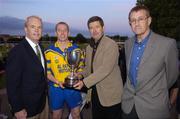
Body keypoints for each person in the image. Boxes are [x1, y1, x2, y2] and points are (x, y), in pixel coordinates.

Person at [121, 5, 179, 119]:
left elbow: (172, 77)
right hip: (128, 105)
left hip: (153, 108)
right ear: (130, 24)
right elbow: (128, 74)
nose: (136, 23)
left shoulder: (167, 44)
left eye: (140, 19)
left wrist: (156, 89)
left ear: (149, 20)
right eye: (133, 20)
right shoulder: (128, 44)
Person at [74, 16, 123, 119]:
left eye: (97, 27)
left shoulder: (111, 44)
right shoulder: (89, 47)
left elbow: (105, 69)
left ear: (103, 28)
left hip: (110, 94)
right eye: (91, 28)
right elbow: (88, 67)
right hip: (95, 92)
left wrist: (84, 82)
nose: (94, 30)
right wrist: (80, 74)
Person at [6, 16, 49, 119]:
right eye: (33, 27)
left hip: (43, 104)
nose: (37, 30)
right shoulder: (18, 51)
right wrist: (17, 108)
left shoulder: (41, 48)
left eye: (39, 27)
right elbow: (12, 84)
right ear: (26, 29)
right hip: (27, 109)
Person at [45, 22, 84, 119]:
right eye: (59, 30)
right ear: (56, 32)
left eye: (65, 30)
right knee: (57, 115)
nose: (62, 33)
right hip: (56, 88)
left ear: (68, 32)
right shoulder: (49, 51)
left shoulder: (77, 50)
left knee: (76, 114)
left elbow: (82, 69)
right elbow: (48, 73)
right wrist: (57, 82)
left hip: (73, 88)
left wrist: (77, 76)